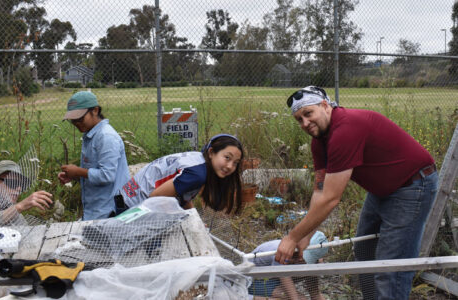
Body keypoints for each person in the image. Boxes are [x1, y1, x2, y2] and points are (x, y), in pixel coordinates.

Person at [275, 86, 438, 299]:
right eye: (299, 119)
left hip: (413, 186)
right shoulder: (319, 142)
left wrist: (291, 237)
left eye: (308, 114)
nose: (305, 123)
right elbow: (320, 191)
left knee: (392, 269)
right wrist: (305, 236)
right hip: (382, 190)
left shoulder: (345, 130)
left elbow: (331, 199)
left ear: (325, 106)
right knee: (364, 252)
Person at [115, 134, 243, 215]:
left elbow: (182, 195)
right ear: (211, 152)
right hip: (131, 208)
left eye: (236, 163)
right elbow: (156, 197)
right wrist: (181, 218)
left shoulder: (198, 159)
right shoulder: (197, 174)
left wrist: (193, 218)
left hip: (128, 199)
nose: (230, 166)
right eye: (227, 157)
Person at [57, 91, 130, 220]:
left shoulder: (106, 137)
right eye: (73, 120)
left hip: (109, 213)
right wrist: (74, 176)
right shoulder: (91, 135)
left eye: (79, 119)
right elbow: (93, 172)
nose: (76, 123)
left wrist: (78, 172)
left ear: (95, 111)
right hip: (94, 210)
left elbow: (107, 175)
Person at [249, 231, 327, 300]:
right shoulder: (282, 252)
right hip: (254, 280)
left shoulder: (313, 261)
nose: (300, 260)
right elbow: (294, 298)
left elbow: (315, 294)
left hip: (274, 277)